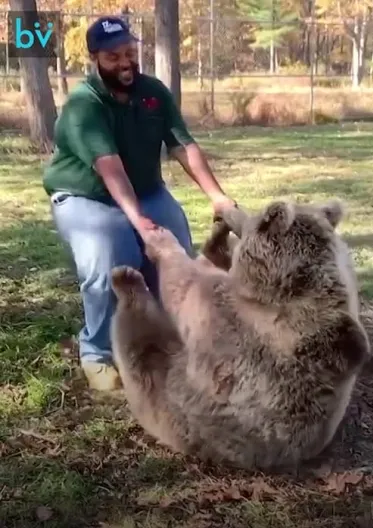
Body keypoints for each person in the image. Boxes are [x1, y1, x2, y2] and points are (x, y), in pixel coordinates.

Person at [42, 15, 237, 391]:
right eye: (114, 56)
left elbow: (183, 145)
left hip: (145, 190)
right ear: (95, 58)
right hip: (87, 197)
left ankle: (166, 333)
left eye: (130, 52)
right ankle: (96, 351)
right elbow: (109, 168)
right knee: (108, 260)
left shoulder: (153, 92)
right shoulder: (84, 105)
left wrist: (216, 196)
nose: (125, 62)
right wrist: (139, 222)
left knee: (174, 253)